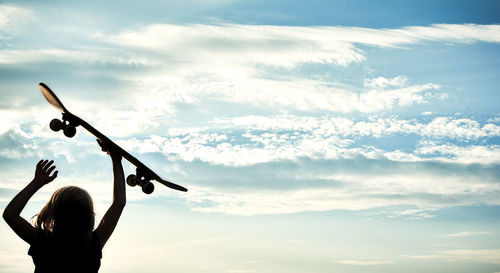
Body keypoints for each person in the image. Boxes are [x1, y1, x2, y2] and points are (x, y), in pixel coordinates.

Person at [2, 140, 126, 273]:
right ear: (89, 216)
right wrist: (116, 160)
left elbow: (10, 215)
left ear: (54, 212)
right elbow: (119, 203)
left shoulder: (43, 241)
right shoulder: (93, 243)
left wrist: (36, 183)